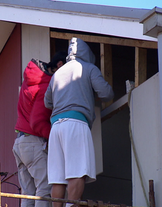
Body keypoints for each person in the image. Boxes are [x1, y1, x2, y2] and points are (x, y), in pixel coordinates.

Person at [44, 37, 114, 207]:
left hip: (56, 127)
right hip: (75, 124)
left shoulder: (58, 73)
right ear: (87, 55)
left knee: (58, 179)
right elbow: (107, 93)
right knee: (76, 173)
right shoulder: (88, 68)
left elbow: (47, 102)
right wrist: (87, 92)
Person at [13, 51, 67, 207]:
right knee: (44, 189)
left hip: (20, 143)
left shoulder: (31, 78)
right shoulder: (45, 86)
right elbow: (37, 122)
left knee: (28, 195)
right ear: (59, 65)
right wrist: (55, 137)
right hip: (33, 143)